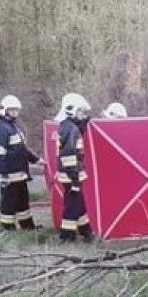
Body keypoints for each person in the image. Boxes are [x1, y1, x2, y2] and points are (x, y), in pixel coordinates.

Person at [0, 94, 44, 231]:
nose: (15, 112)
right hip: (9, 175)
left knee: (23, 202)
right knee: (9, 203)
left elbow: (22, 149)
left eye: (16, 110)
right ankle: (8, 228)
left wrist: (36, 160)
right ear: (5, 110)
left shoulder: (14, 127)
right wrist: (2, 175)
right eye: (12, 110)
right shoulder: (1, 128)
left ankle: (27, 226)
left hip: (20, 174)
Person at [55, 92, 94, 242]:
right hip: (72, 175)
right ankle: (66, 236)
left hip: (71, 174)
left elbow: (77, 133)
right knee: (72, 206)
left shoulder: (68, 126)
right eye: (81, 112)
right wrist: (75, 178)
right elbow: (69, 154)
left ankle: (86, 232)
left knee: (79, 203)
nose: (83, 115)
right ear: (71, 110)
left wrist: (84, 123)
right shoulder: (71, 129)